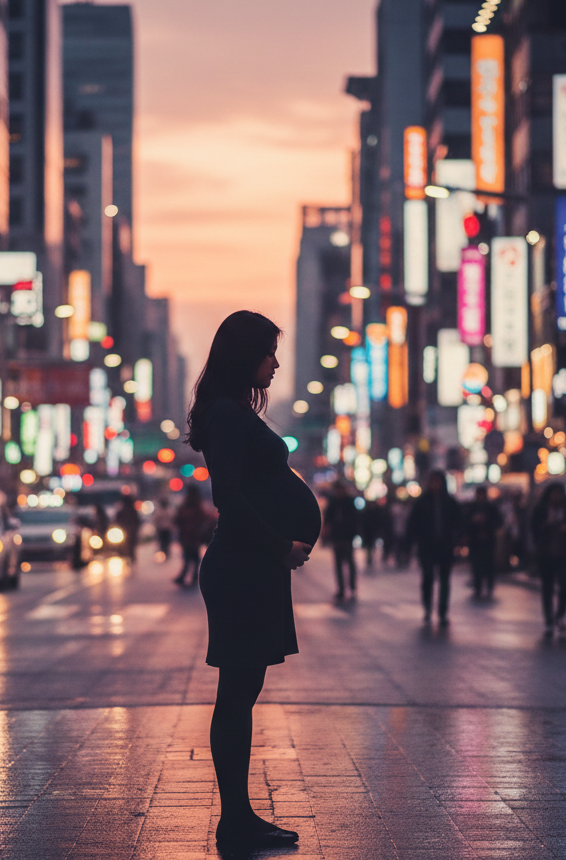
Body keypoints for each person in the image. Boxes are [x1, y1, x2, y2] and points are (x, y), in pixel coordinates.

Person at [187, 310, 319, 850]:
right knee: (237, 692)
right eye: (268, 352)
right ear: (245, 355)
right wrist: (278, 545)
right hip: (243, 567)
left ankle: (239, 815)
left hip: (252, 567)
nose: (276, 362)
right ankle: (234, 819)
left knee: (243, 691)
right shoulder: (227, 416)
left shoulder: (232, 412)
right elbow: (229, 499)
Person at [406, 470, 461, 626]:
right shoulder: (422, 503)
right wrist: (409, 545)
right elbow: (412, 525)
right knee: (428, 577)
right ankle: (428, 607)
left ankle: (442, 611)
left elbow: (458, 522)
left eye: (438, 482)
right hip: (427, 547)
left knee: (444, 580)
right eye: (433, 482)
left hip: (445, 546)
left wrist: (459, 540)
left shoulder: (450, 502)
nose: (435, 485)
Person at [530, 483, 566, 635]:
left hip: (563, 554)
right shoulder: (541, 510)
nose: (556, 497)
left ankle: (560, 615)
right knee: (547, 587)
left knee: (565, 587)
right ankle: (549, 618)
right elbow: (533, 528)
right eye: (553, 494)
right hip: (546, 554)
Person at [464, 486, 502, 599]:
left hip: (488, 540)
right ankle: (478, 586)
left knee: (488, 564)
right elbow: (465, 522)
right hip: (475, 541)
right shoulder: (472, 508)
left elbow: (498, 521)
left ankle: (489, 585)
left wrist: (487, 522)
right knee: (476, 565)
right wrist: (473, 521)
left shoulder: (490, 508)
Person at [324, 480, 358, 601]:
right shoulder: (333, 502)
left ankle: (352, 587)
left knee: (349, 562)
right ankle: (341, 589)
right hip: (337, 536)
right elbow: (328, 518)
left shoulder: (349, 502)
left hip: (347, 536)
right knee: (339, 563)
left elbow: (355, 519)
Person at [173, 483, 211, 587]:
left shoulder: (187, 506)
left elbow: (178, 519)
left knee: (189, 557)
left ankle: (187, 577)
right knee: (192, 557)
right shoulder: (196, 506)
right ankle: (192, 577)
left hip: (189, 536)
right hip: (193, 536)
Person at [116, 491, 141, 561]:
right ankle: (130, 556)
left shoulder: (126, 510)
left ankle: (129, 557)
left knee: (127, 544)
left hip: (127, 530)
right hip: (128, 530)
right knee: (129, 544)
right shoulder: (131, 510)